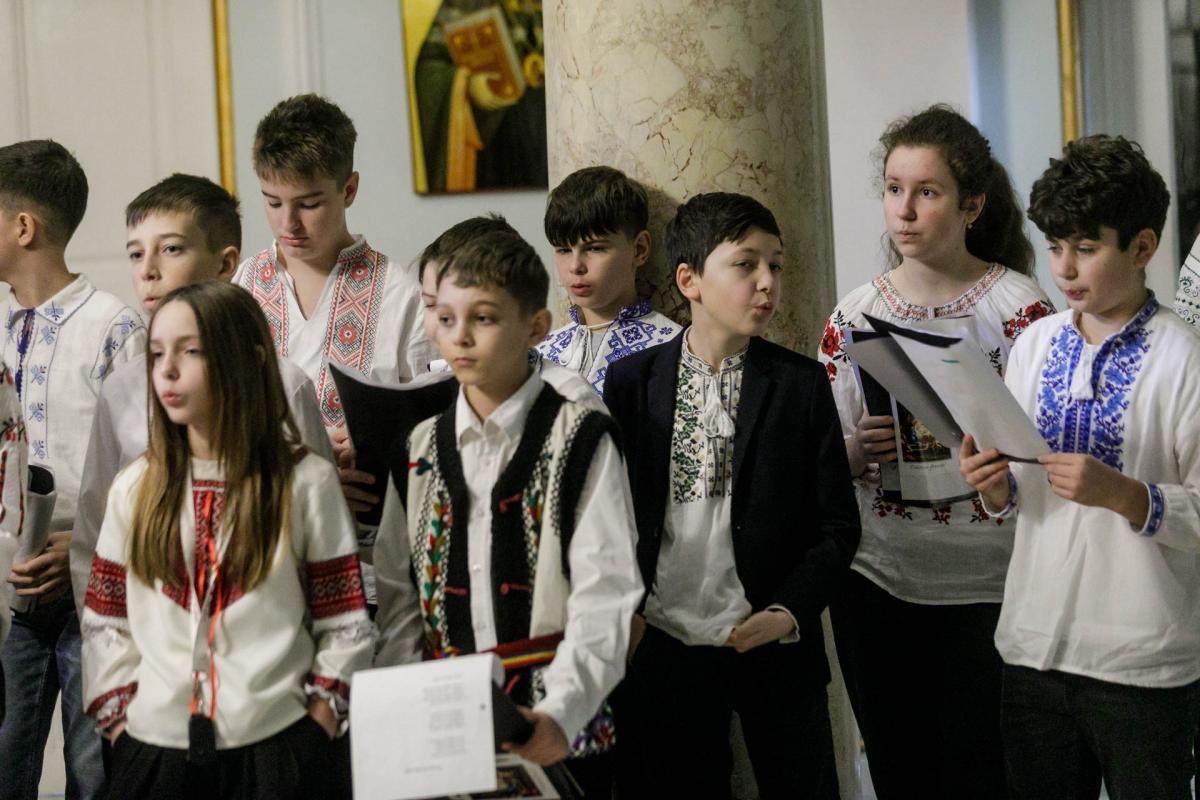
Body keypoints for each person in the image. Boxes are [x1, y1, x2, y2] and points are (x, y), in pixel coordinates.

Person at [815, 105, 1053, 799]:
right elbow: (821, 455)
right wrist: (854, 450)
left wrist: (1004, 466)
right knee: (900, 774)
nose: (905, 210)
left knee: (986, 775)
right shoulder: (855, 312)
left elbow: (1050, 450)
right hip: (880, 581)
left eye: (927, 192)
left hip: (992, 585)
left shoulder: (1021, 309)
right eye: (894, 189)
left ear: (972, 205)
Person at [961, 134, 1200, 800]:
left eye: (1087, 248)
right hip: (1032, 648)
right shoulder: (1034, 345)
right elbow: (1020, 494)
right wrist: (994, 487)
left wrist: (1125, 494)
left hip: (1143, 663)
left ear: (1143, 247)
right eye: (1055, 246)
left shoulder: (1184, 358)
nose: (1064, 269)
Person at [605, 192, 860, 798]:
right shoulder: (632, 382)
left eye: (776, 265)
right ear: (689, 280)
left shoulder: (799, 384)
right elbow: (609, 516)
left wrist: (788, 612)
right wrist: (627, 615)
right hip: (663, 641)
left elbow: (837, 527)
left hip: (771, 638)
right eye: (746, 264)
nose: (767, 282)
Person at [374, 228, 642, 797]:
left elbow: (606, 593)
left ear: (536, 327)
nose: (461, 336)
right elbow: (399, 597)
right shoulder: (419, 447)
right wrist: (404, 707)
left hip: (557, 722)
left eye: (484, 318)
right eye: (445, 318)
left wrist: (561, 713)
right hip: (447, 724)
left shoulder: (580, 437)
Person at [81, 282, 373, 799]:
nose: (167, 370)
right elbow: (106, 621)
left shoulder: (304, 482)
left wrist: (320, 721)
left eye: (190, 351)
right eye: (157, 354)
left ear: (248, 359)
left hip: (277, 743)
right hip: (154, 747)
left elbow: (344, 620)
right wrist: (122, 725)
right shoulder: (136, 487)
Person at [69, 173, 332, 620]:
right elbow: (94, 533)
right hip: (153, 635)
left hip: (266, 628)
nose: (148, 271)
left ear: (225, 264)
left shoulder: (284, 385)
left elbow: (318, 536)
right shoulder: (121, 391)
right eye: (136, 253)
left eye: (171, 249)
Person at [0, 139, 145, 800]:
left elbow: (148, 466)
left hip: (95, 593)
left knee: (96, 771)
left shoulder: (113, 327)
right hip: (10, 595)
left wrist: (83, 545)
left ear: (23, 227)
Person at [537, 166, 680, 395]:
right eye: (563, 250)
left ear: (639, 249)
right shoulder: (541, 353)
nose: (575, 266)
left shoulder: (672, 350)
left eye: (594, 248)